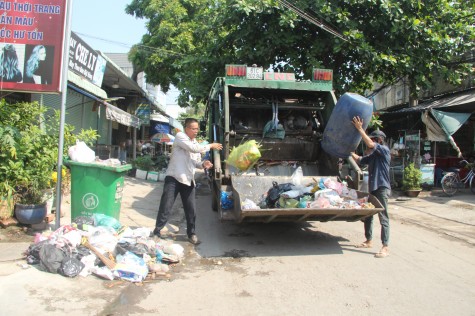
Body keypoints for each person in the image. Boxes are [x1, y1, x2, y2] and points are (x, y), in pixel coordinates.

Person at [152, 118, 223, 244]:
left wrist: (203, 164)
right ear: (187, 128)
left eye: (197, 129)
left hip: (188, 181)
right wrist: (210, 145)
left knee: (191, 210)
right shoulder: (180, 136)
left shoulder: (195, 143)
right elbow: (193, 149)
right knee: (166, 206)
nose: (196, 131)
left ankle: (191, 234)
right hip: (174, 178)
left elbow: (195, 162)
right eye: (193, 128)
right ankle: (157, 232)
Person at [350, 116, 391, 258]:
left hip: (381, 187)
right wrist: (347, 151)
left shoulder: (384, 151)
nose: (369, 143)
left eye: (373, 140)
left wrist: (360, 129)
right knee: (368, 214)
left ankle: (385, 247)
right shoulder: (374, 156)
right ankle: (368, 240)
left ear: (379, 141)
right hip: (373, 187)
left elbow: (370, 144)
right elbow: (360, 159)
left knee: (383, 217)